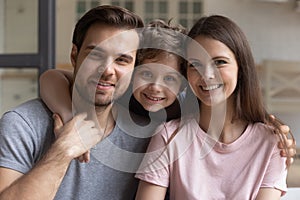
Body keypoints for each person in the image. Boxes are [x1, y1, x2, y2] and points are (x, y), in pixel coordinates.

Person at [135, 15, 296, 200]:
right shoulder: (168, 136)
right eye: (195, 65)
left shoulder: (272, 143)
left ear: (241, 67)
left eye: (219, 62)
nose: (207, 75)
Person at [0, 5, 144, 199]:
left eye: (122, 60)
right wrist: (64, 149)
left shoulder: (146, 137)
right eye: (95, 55)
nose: (107, 70)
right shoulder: (23, 124)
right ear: (74, 56)